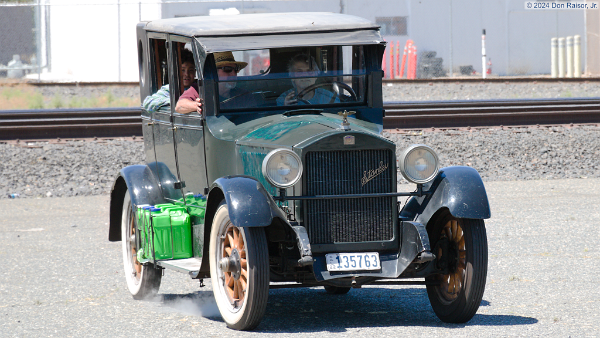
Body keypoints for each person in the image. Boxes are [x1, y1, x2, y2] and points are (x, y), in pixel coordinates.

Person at [177, 51, 257, 114]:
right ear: (213, 72)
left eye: (235, 70)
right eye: (227, 69)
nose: (233, 74)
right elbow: (179, 106)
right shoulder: (199, 90)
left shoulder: (244, 96)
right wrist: (196, 105)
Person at [143, 49, 198, 113]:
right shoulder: (170, 89)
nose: (186, 74)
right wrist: (175, 101)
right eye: (183, 70)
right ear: (176, 72)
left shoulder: (198, 89)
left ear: (195, 72)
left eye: (191, 70)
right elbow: (148, 103)